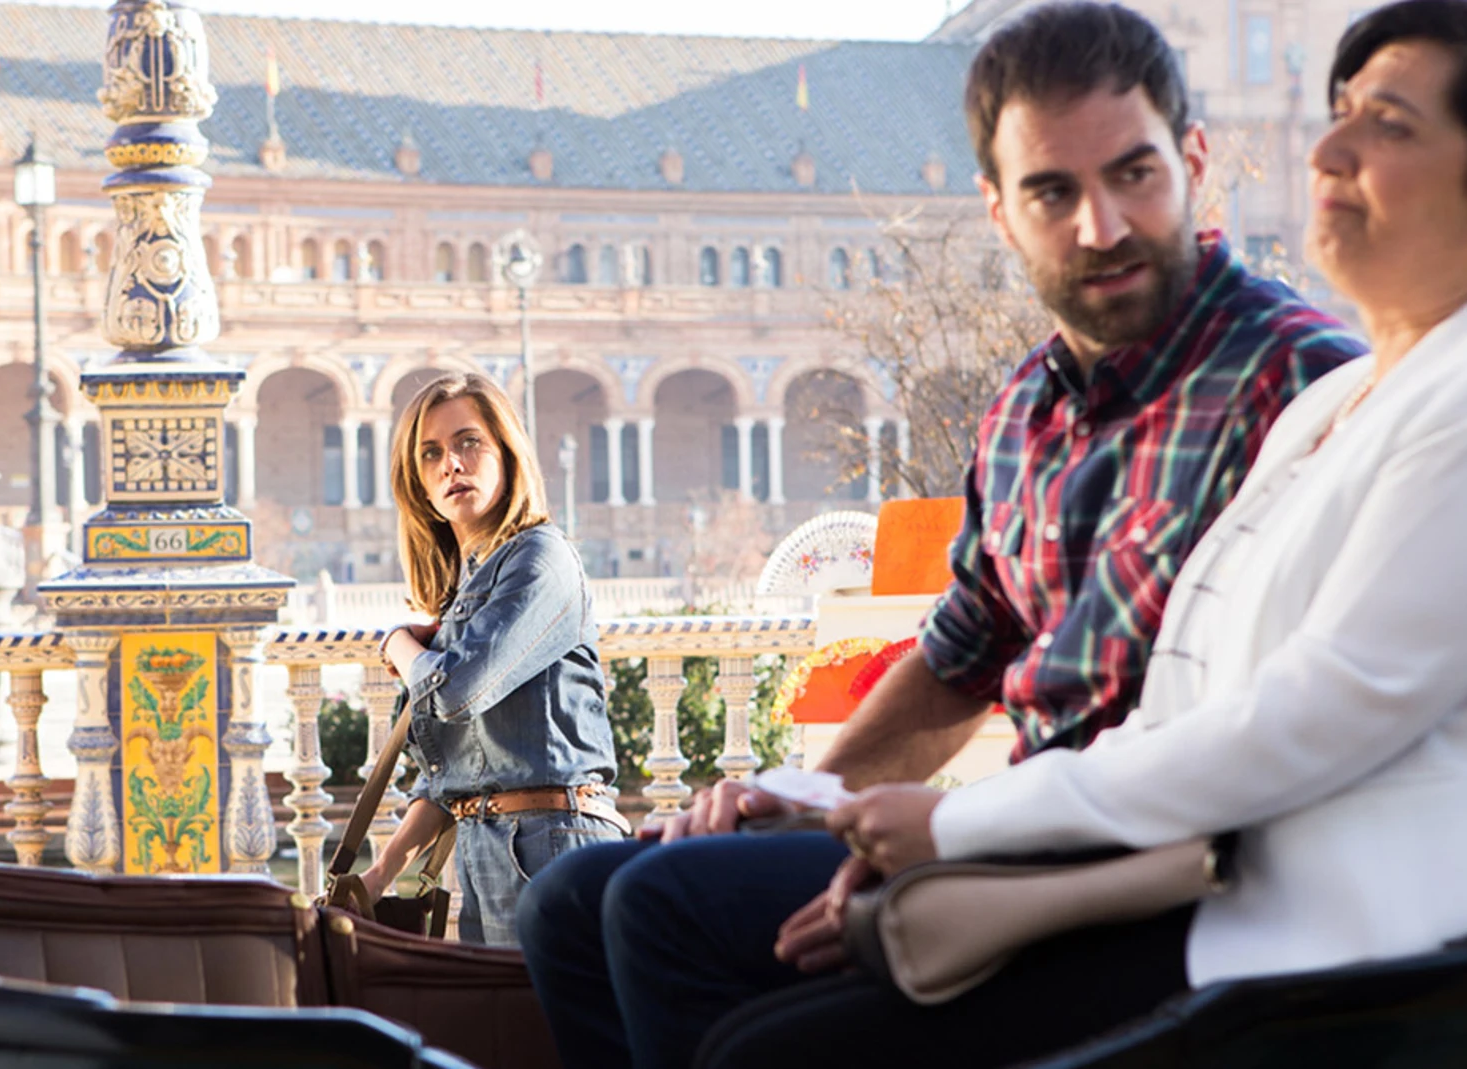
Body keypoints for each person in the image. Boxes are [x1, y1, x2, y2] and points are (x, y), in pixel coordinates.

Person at [692, 1, 1467, 1065]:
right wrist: (921, 820)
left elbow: (1310, 717)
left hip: (1376, 984)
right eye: (1339, 111)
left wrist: (955, 829)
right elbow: (1187, 697)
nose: (1324, 149)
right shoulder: (1342, 403)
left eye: (1387, 124)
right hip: (1233, 925)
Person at [515, 5, 1365, 1068]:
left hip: (1161, 875)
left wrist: (956, 845)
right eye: (1053, 191)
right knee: (566, 899)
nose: (1100, 225)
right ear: (999, 211)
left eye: (1133, 174)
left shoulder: (1301, 380)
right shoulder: (1024, 412)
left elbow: (1309, 724)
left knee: (665, 913)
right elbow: (960, 656)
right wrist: (805, 795)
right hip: (1012, 836)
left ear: (1194, 163)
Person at [359, 372, 626, 946]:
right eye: (431, 454)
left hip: (552, 841)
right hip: (485, 850)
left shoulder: (540, 559)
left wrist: (398, 645)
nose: (451, 463)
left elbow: (457, 692)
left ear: (506, 453)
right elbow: (449, 778)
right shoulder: (465, 591)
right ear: (418, 485)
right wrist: (381, 874)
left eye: (468, 442)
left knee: (551, 1033)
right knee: (503, 1031)